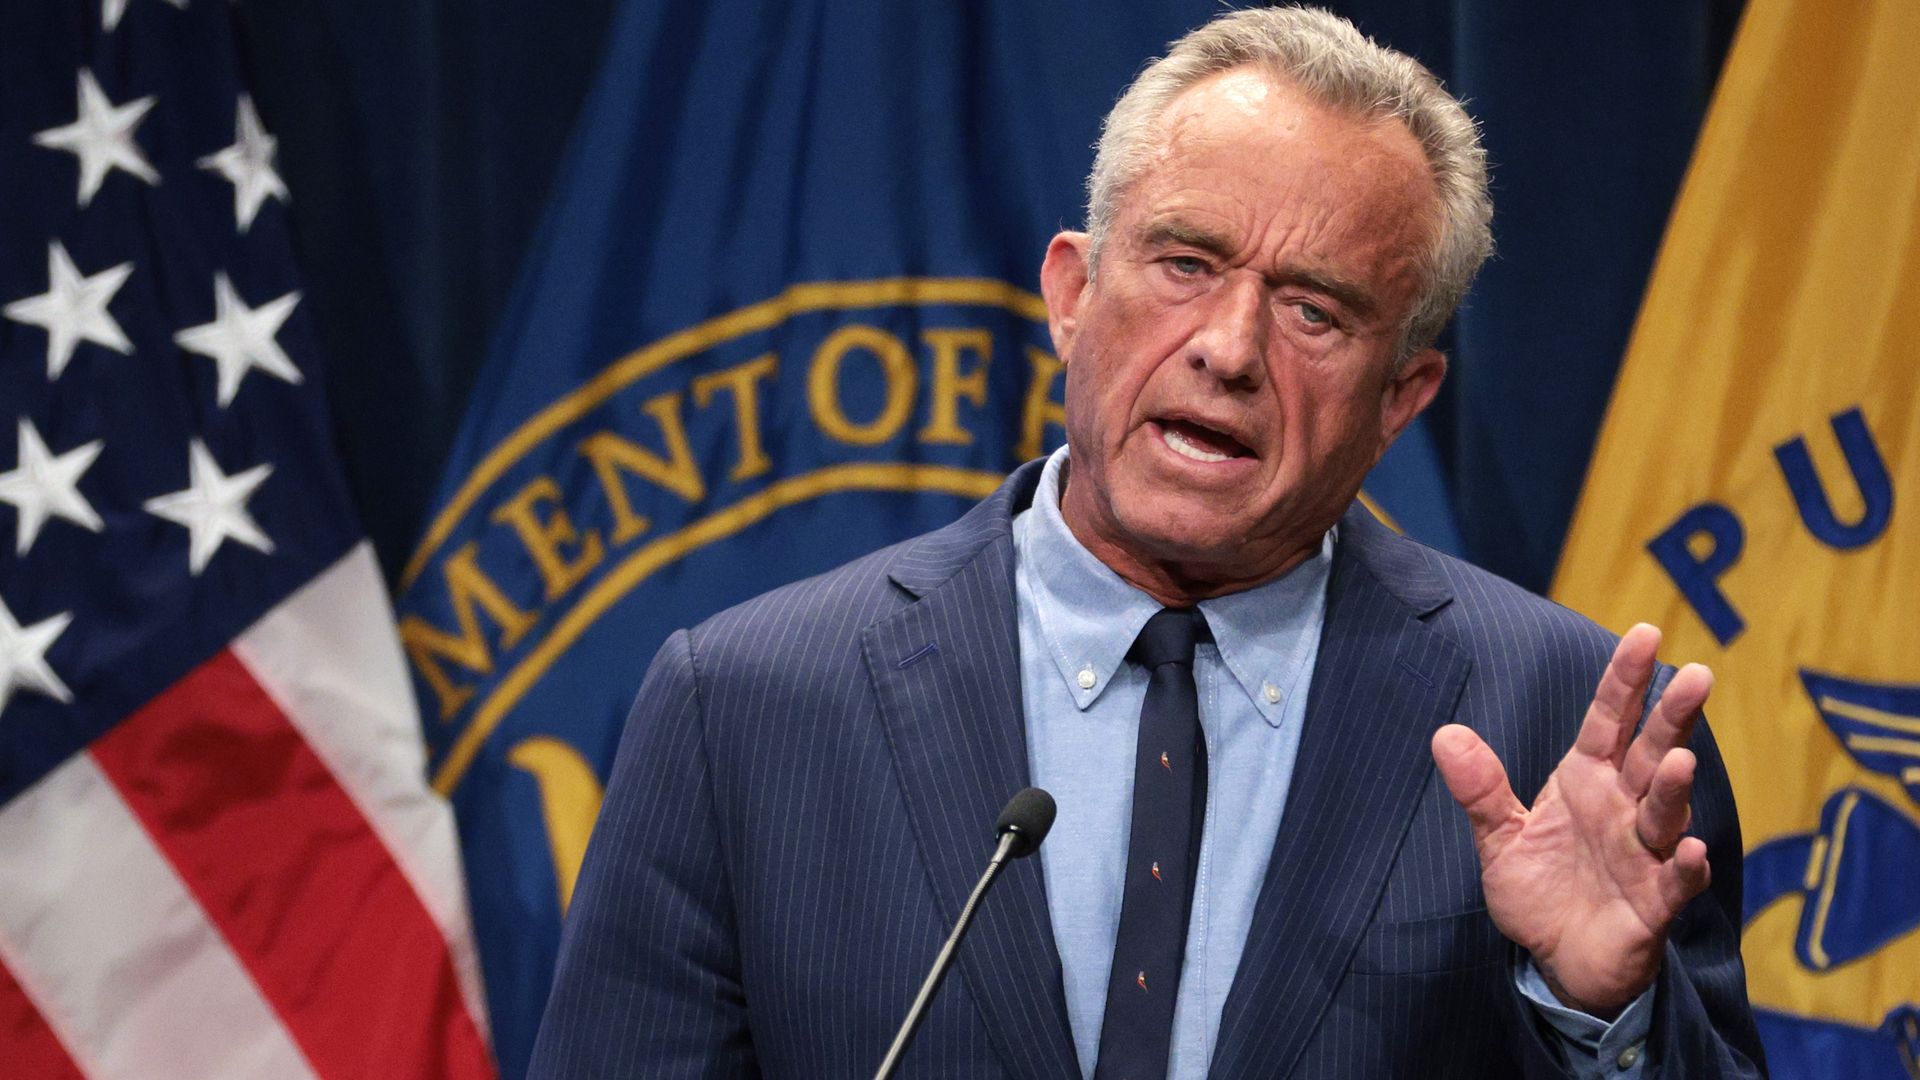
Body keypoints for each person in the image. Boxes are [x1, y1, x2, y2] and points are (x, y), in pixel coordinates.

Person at [527, 7, 1765, 1078]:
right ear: (1071, 293)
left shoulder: (1565, 726)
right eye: (1185, 262)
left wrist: (1603, 1017)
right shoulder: (745, 706)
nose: (1229, 348)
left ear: (1403, 396)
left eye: (1314, 310)